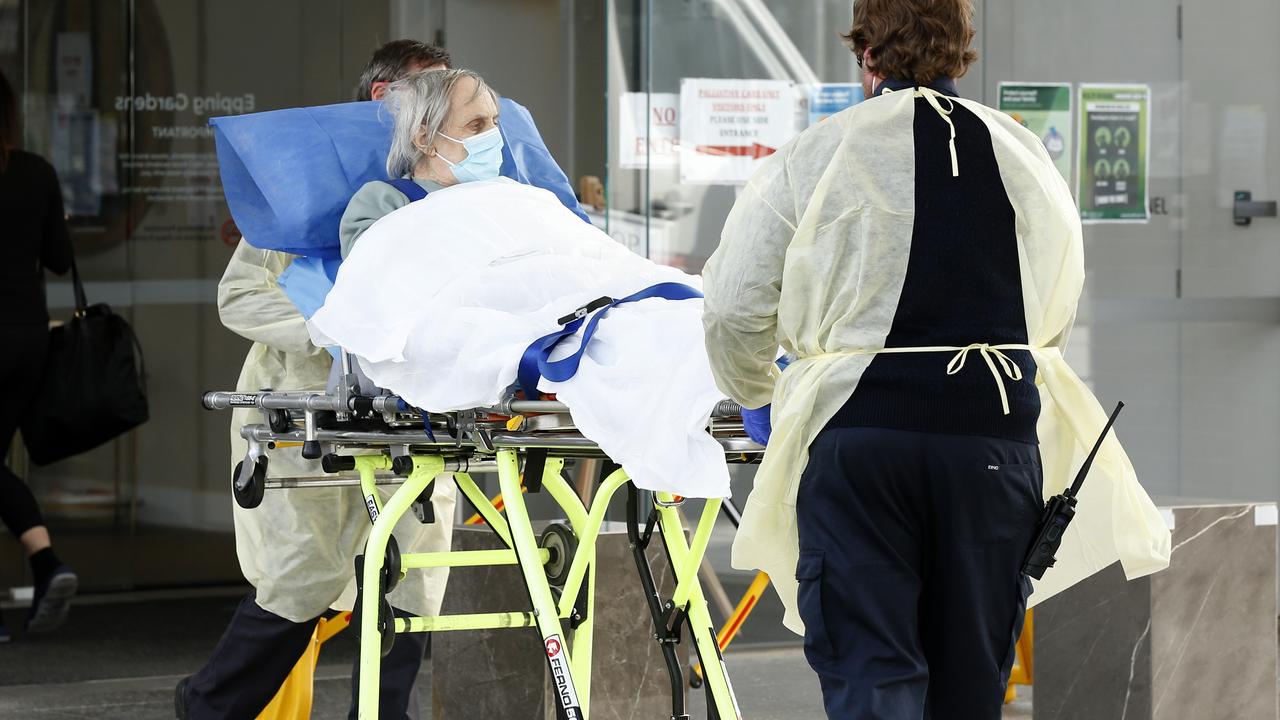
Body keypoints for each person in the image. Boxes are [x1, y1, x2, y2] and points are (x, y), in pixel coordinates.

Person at [700, 1, 1170, 718]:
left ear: (866, 55)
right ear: (960, 54)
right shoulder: (1024, 155)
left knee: (872, 676)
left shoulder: (819, 151)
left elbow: (735, 305)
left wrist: (759, 399)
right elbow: (1057, 302)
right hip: (994, 442)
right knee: (970, 687)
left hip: (861, 444)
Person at [179, 44, 585, 720]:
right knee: (297, 588)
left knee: (410, 596)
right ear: (381, 106)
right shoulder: (303, 200)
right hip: (306, 417)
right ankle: (207, 707)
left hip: (418, 423)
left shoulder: (466, 200)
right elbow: (240, 299)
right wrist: (336, 328)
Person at [0, 68, 79, 641]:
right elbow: (58, 258)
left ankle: (46, 562)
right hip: (24, 341)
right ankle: (46, 564)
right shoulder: (35, 172)